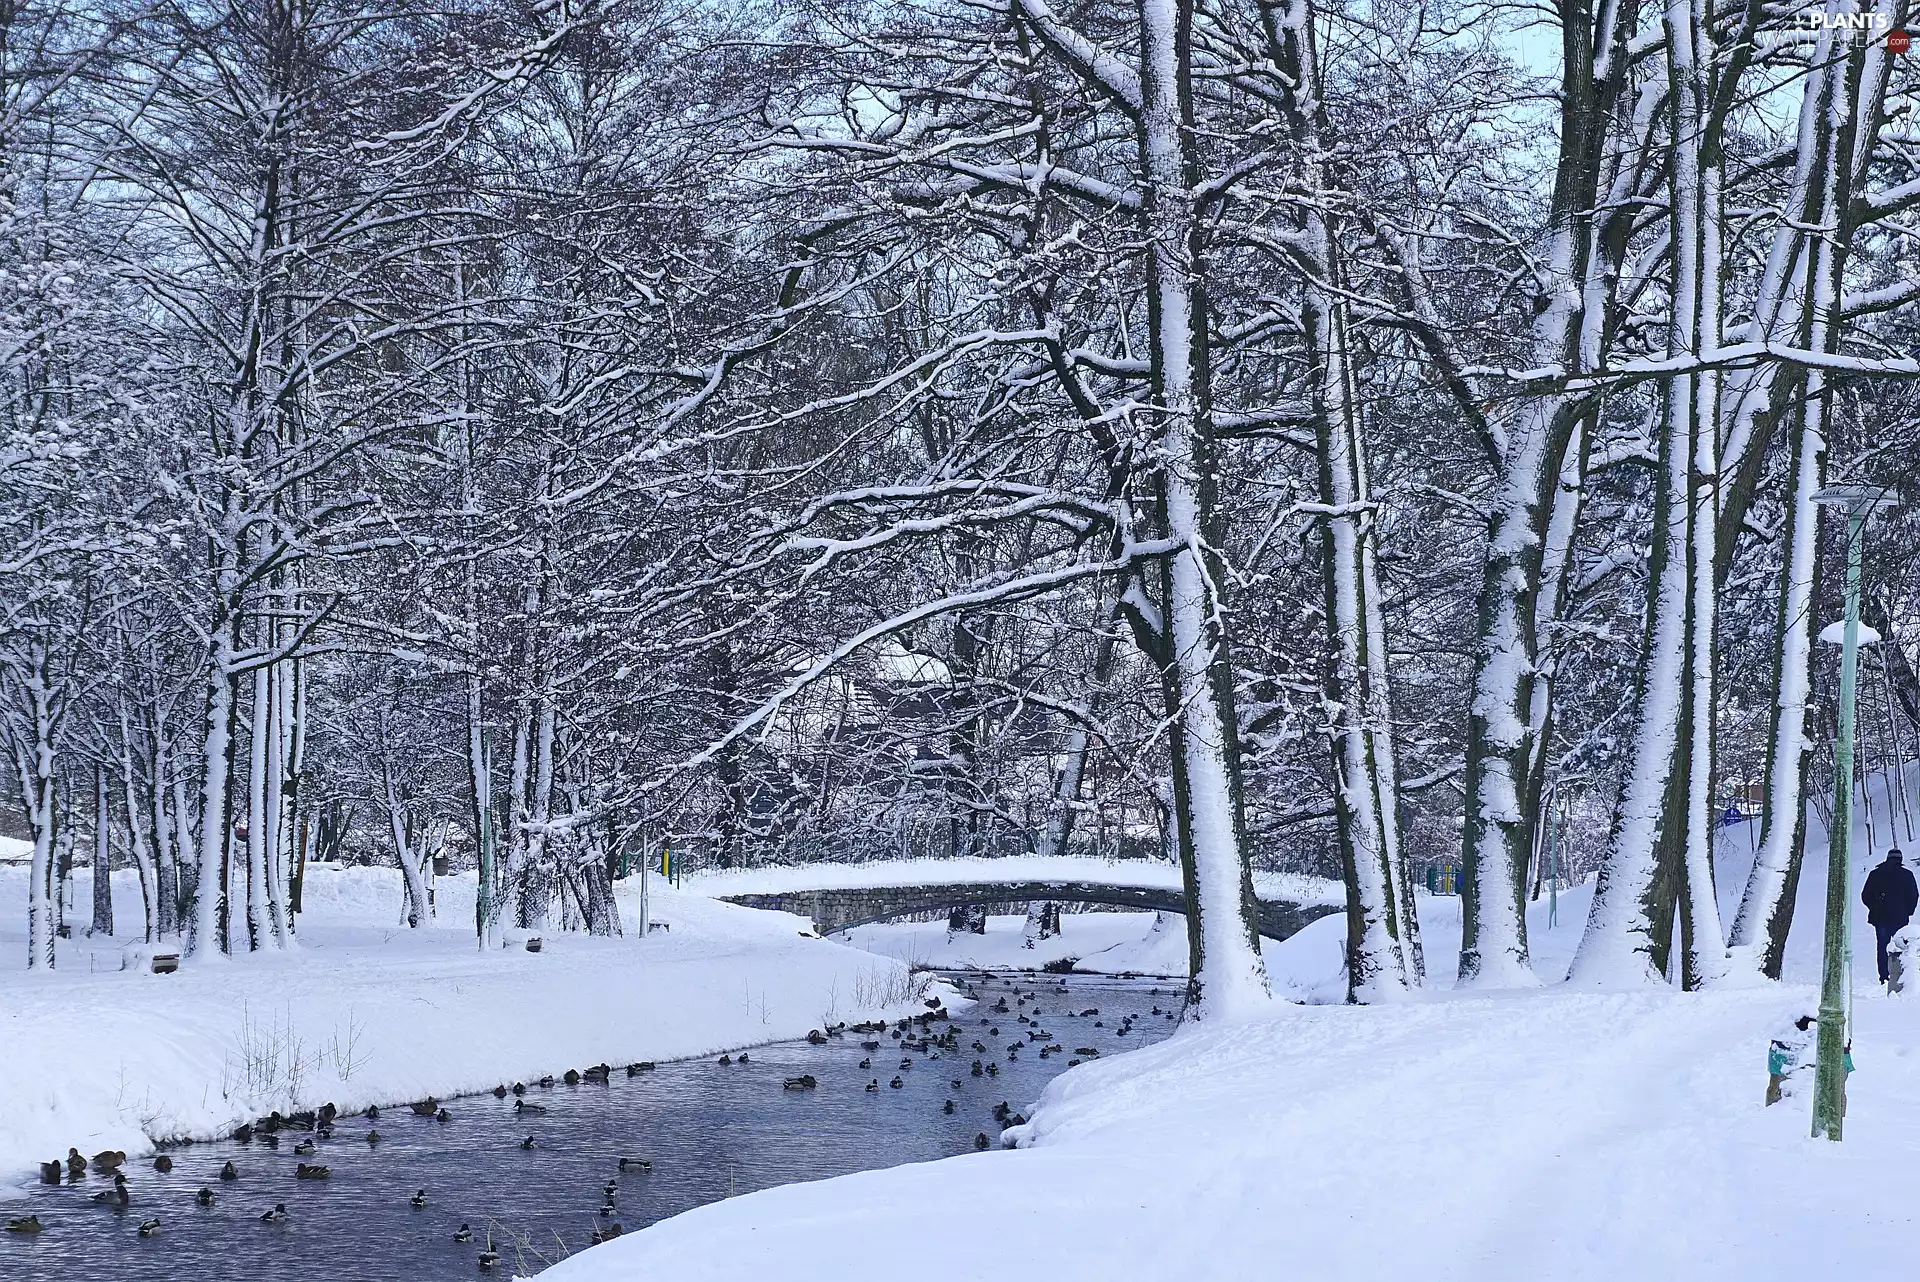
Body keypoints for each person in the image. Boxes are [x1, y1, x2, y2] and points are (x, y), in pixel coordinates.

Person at [1861, 848, 1919, 984]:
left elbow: (1865, 895)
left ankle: (1884, 976)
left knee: (1882, 947)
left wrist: (1875, 906)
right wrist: (1908, 911)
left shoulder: (1875, 874)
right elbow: (1914, 896)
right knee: (1902, 947)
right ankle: (1900, 975)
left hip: (1880, 918)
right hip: (1900, 917)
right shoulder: (1907, 875)